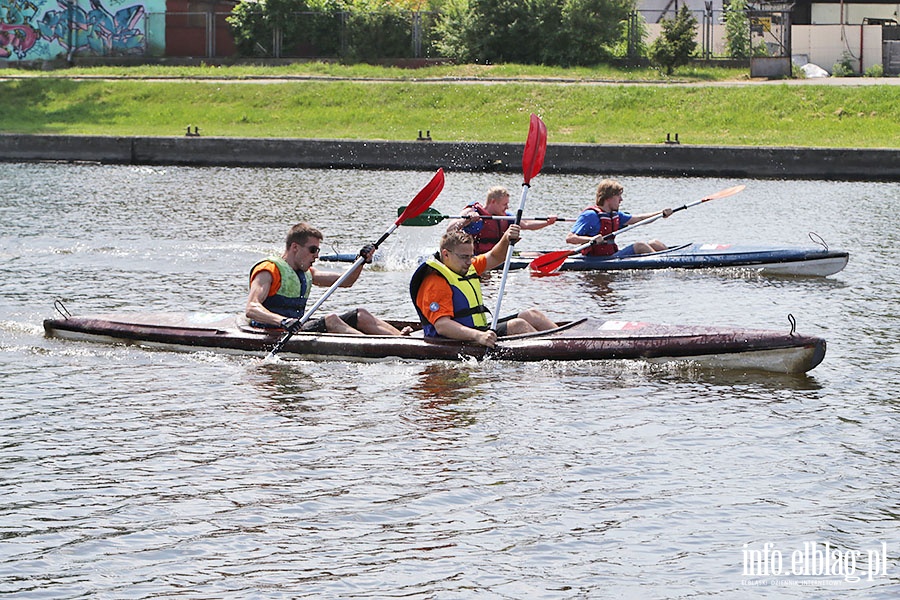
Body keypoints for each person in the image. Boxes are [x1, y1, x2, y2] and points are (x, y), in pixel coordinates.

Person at [246, 222, 409, 335]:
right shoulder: (268, 270)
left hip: (296, 328)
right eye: (313, 249)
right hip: (275, 331)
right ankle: (378, 347)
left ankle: (401, 338)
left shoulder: (309, 273)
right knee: (331, 320)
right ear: (295, 247)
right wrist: (283, 321)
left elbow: (347, 281)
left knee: (360, 315)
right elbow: (252, 308)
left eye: (318, 250)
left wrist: (361, 260)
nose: (317, 255)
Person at [410, 224, 557, 348]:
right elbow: (442, 326)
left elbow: (495, 256)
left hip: (477, 329)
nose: (469, 261)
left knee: (531, 315)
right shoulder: (435, 282)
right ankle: (554, 352)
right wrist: (479, 336)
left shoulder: (467, 266)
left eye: (471, 256)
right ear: (446, 254)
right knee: (517, 325)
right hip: (452, 339)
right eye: (464, 257)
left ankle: (568, 341)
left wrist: (506, 238)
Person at [566, 179, 674, 257]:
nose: (621, 200)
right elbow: (570, 238)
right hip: (598, 259)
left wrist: (661, 213)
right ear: (608, 198)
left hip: (611, 254)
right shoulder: (590, 215)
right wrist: (591, 239)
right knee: (639, 246)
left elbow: (640, 219)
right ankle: (665, 265)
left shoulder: (615, 215)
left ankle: (677, 259)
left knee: (654, 243)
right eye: (618, 196)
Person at [447, 186, 558, 253]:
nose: (507, 207)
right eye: (504, 204)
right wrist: (467, 220)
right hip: (476, 256)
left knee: (535, 255)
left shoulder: (505, 216)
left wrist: (547, 222)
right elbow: (450, 228)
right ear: (493, 202)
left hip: (496, 256)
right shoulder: (473, 212)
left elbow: (527, 225)